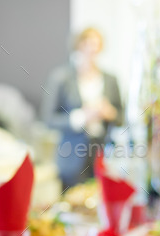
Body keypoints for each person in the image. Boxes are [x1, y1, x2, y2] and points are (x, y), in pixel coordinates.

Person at [41, 27, 123, 189]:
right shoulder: (62, 78)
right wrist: (81, 117)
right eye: (87, 43)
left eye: (96, 43)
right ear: (78, 45)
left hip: (103, 152)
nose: (92, 48)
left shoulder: (110, 79)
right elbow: (48, 120)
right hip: (71, 156)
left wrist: (109, 113)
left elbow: (122, 118)